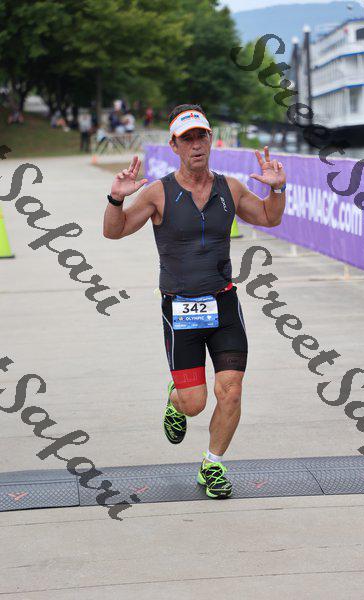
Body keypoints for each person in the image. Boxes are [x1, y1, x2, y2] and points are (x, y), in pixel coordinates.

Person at [103, 104, 286, 499]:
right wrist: (116, 200)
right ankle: (175, 400)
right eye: (187, 139)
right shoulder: (158, 193)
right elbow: (114, 232)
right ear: (174, 146)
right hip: (180, 308)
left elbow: (269, 218)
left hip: (223, 304)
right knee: (194, 403)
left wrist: (277, 190)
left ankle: (212, 464)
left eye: (201, 136)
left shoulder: (230, 188)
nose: (196, 144)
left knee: (231, 390)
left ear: (210, 140)